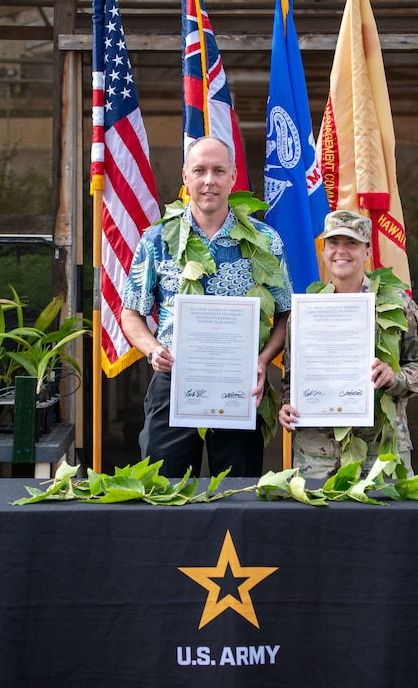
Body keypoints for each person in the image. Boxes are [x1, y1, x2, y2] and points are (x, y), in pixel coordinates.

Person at [121, 136, 292, 478]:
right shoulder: (158, 240)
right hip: (173, 382)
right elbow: (130, 313)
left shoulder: (264, 241)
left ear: (233, 177)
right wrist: (153, 350)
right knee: (161, 491)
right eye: (199, 170)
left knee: (237, 496)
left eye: (218, 171)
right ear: (185, 176)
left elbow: (286, 312)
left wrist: (261, 360)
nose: (209, 180)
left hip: (240, 386)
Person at [278, 209, 418, 478]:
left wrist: (396, 377)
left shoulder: (396, 304)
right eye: (333, 243)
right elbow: (292, 378)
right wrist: (287, 405)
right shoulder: (307, 309)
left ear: (367, 252)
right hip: (316, 455)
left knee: (385, 521)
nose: (340, 251)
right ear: (324, 251)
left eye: (351, 243)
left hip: (380, 451)